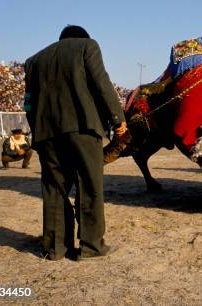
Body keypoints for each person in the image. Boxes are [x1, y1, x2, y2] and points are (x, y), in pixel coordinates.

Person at [24, 25, 127, 261]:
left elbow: (28, 104)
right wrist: (117, 118)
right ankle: (91, 246)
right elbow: (101, 82)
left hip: (47, 133)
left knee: (54, 188)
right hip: (83, 127)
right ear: (83, 37)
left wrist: (38, 128)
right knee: (89, 185)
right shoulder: (87, 46)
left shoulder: (33, 61)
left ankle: (55, 248)